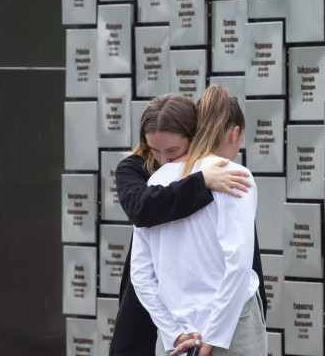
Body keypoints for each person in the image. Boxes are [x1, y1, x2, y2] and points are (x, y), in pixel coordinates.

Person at [109, 93, 267, 356]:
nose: (163, 159)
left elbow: (141, 273)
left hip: (174, 328)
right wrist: (201, 180)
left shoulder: (157, 179)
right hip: (224, 326)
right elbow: (238, 264)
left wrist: (174, 333)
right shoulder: (230, 174)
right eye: (154, 150)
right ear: (235, 133)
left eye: (171, 150)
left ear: (193, 136)